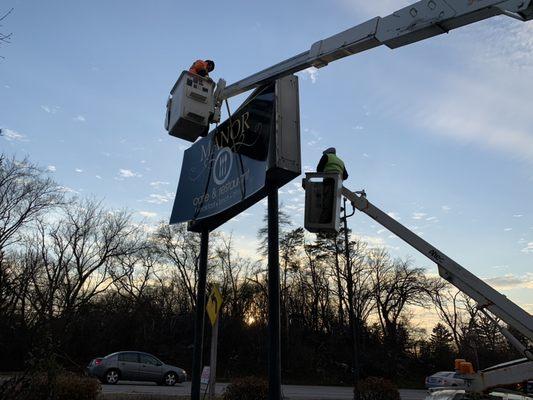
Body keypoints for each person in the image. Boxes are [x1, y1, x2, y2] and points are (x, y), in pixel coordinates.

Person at [316, 147, 348, 224]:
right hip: (338, 184)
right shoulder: (341, 161)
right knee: (334, 202)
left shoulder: (326, 156)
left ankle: (324, 220)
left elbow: (319, 169)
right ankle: (332, 218)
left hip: (329, 180)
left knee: (327, 201)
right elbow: (346, 176)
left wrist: (323, 174)